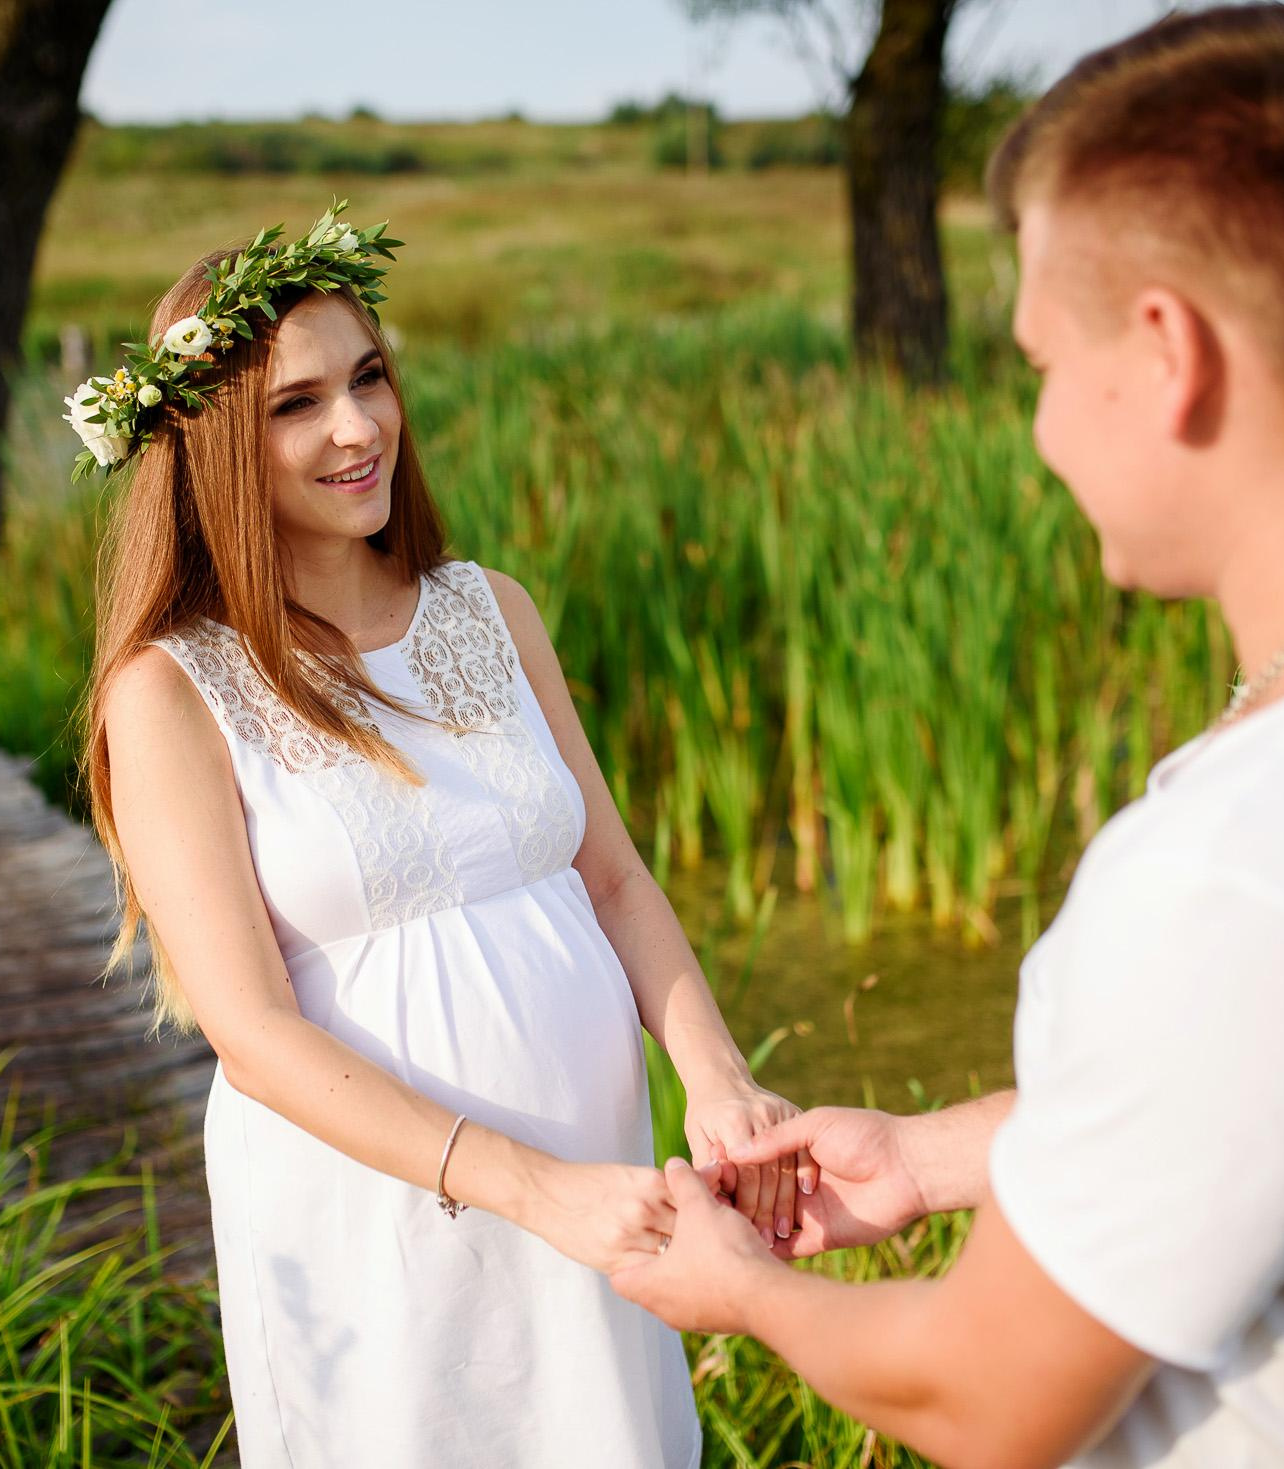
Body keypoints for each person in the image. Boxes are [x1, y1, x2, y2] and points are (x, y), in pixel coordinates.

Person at [608, 7, 1284, 1467]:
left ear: (1167, 353)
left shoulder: (1237, 880)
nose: (1037, 430)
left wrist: (745, 1290)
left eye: (1038, 360)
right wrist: (933, 1156)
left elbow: (985, 1394)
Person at [76, 209, 807, 1468]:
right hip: (381, 1205)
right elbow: (250, 1033)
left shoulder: (490, 610)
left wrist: (719, 1077)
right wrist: (528, 1183)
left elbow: (615, 879)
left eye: (368, 378)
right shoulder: (174, 689)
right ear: (207, 446)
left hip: (594, 1163)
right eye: (294, 405)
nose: (356, 428)